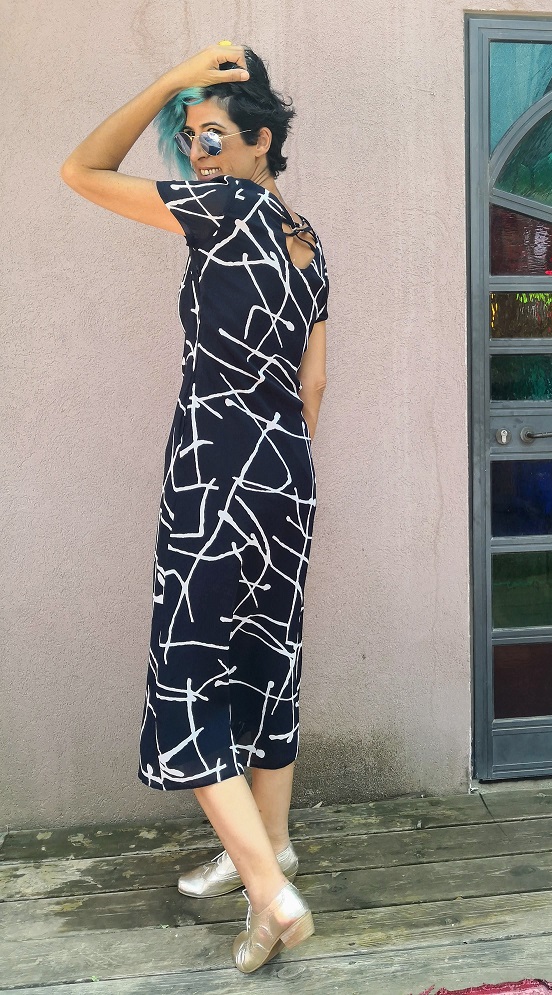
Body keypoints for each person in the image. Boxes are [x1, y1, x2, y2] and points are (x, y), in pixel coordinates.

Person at [61, 42, 328, 973]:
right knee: (265, 666)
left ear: (261, 142)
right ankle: (271, 849)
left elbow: (82, 169)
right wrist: (278, 473)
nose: (197, 154)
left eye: (213, 137)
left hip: (216, 472)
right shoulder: (307, 238)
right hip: (286, 475)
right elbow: (314, 385)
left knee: (187, 678)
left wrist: (171, 80)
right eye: (190, 139)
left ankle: (271, 893)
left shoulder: (225, 209)